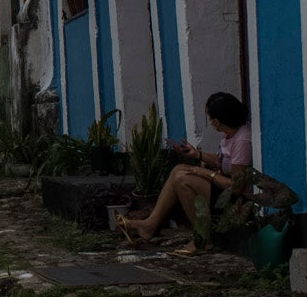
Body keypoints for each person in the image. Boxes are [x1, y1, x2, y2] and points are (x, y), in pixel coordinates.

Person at [114, 92, 277, 247]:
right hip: (223, 187)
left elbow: (236, 187)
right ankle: (150, 225)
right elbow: (225, 163)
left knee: (183, 180)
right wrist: (198, 155)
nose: (210, 122)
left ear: (217, 121)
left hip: (237, 200)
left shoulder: (242, 141)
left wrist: (206, 173)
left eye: (210, 118)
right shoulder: (231, 133)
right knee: (179, 169)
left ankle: (203, 239)